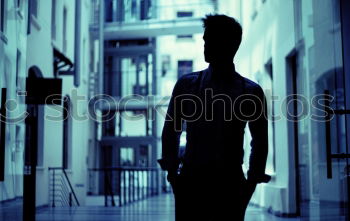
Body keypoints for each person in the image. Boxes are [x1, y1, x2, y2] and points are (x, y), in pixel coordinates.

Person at [158, 14, 271, 221]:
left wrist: (249, 185)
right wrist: (174, 178)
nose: (205, 45)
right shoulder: (188, 84)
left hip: (227, 184)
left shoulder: (250, 92)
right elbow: (170, 131)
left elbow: (261, 141)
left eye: (209, 40)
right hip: (194, 182)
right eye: (205, 40)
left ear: (229, 45)